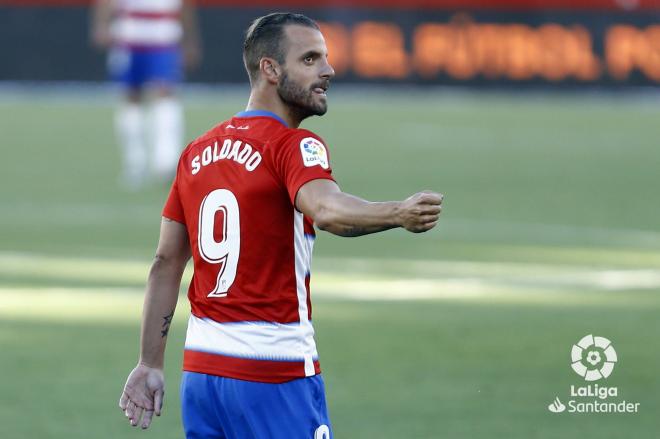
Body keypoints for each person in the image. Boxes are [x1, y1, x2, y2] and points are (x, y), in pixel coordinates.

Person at [118, 12, 443, 438]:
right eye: (310, 59)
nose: (327, 70)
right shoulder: (293, 146)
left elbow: (165, 263)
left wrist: (149, 362)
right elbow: (326, 210)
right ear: (270, 70)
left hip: (201, 375)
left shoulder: (196, 152)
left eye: (324, 58)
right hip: (273, 375)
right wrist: (397, 213)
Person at [91, 0, 201, 189]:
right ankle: (135, 164)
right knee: (131, 98)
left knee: (165, 93)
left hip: (163, 38)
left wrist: (190, 40)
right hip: (129, 38)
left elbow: (185, 6)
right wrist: (101, 25)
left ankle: (165, 161)